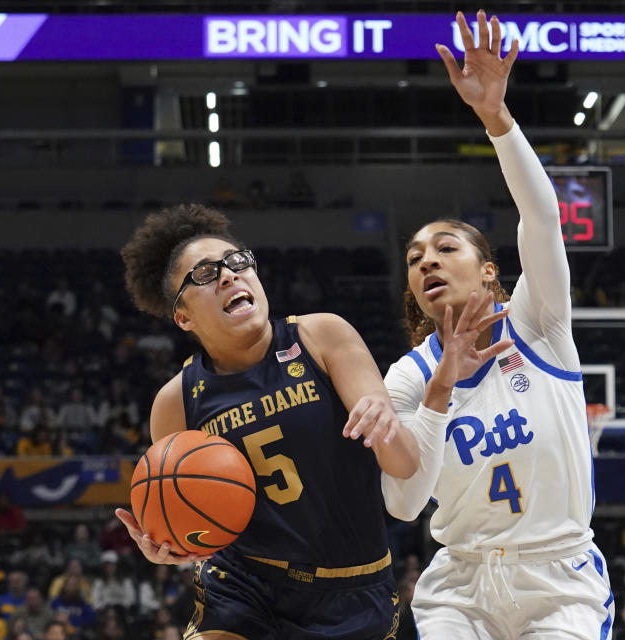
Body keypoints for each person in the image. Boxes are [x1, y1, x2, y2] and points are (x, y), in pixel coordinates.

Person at [115, 197, 492, 638]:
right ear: (182, 316)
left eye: (237, 261)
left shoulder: (322, 335)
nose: (229, 274)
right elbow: (191, 520)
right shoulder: (176, 400)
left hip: (354, 587)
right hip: (244, 583)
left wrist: (384, 423)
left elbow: (406, 468)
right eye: (204, 274)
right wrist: (174, 543)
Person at [379, 11, 613, 637]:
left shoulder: (537, 323)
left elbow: (542, 219)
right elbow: (400, 505)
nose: (426, 259)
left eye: (446, 248)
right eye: (414, 258)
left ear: (488, 273)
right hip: (460, 585)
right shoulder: (407, 376)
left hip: (558, 581)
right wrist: (438, 393)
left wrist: (497, 120)